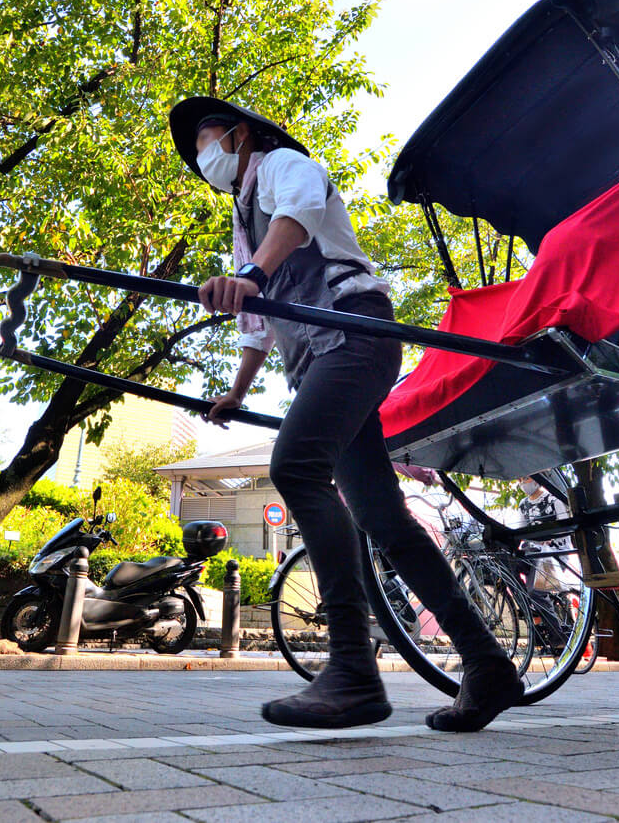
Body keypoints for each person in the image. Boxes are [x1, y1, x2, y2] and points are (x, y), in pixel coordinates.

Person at [170, 96, 523, 730]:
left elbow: (299, 216)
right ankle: (487, 663)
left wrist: (252, 272)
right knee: (384, 518)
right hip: (319, 359)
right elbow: (257, 318)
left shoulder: (280, 165)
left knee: (298, 467)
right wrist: (239, 389)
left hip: (355, 332)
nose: (202, 154)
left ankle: (353, 671)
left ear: (241, 134)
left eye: (207, 137)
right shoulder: (243, 223)